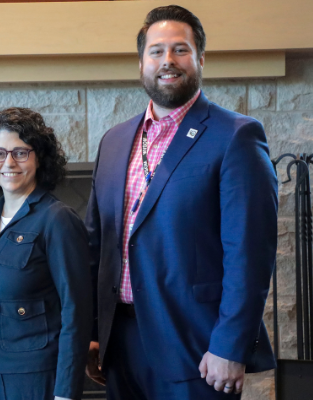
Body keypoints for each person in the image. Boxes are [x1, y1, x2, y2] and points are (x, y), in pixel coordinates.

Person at [84, 6, 278, 399]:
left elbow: (250, 253)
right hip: (120, 344)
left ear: (201, 59)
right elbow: (96, 244)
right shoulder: (114, 140)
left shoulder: (235, 136)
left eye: (180, 50)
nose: (167, 61)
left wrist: (230, 345)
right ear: (141, 62)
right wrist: (92, 333)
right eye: (156, 51)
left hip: (196, 347)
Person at [0, 107, 92, 400]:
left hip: (35, 378)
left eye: (20, 152)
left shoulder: (57, 219)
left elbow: (77, 311)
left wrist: (66, 393)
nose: (9, 162)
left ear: (40, 157)